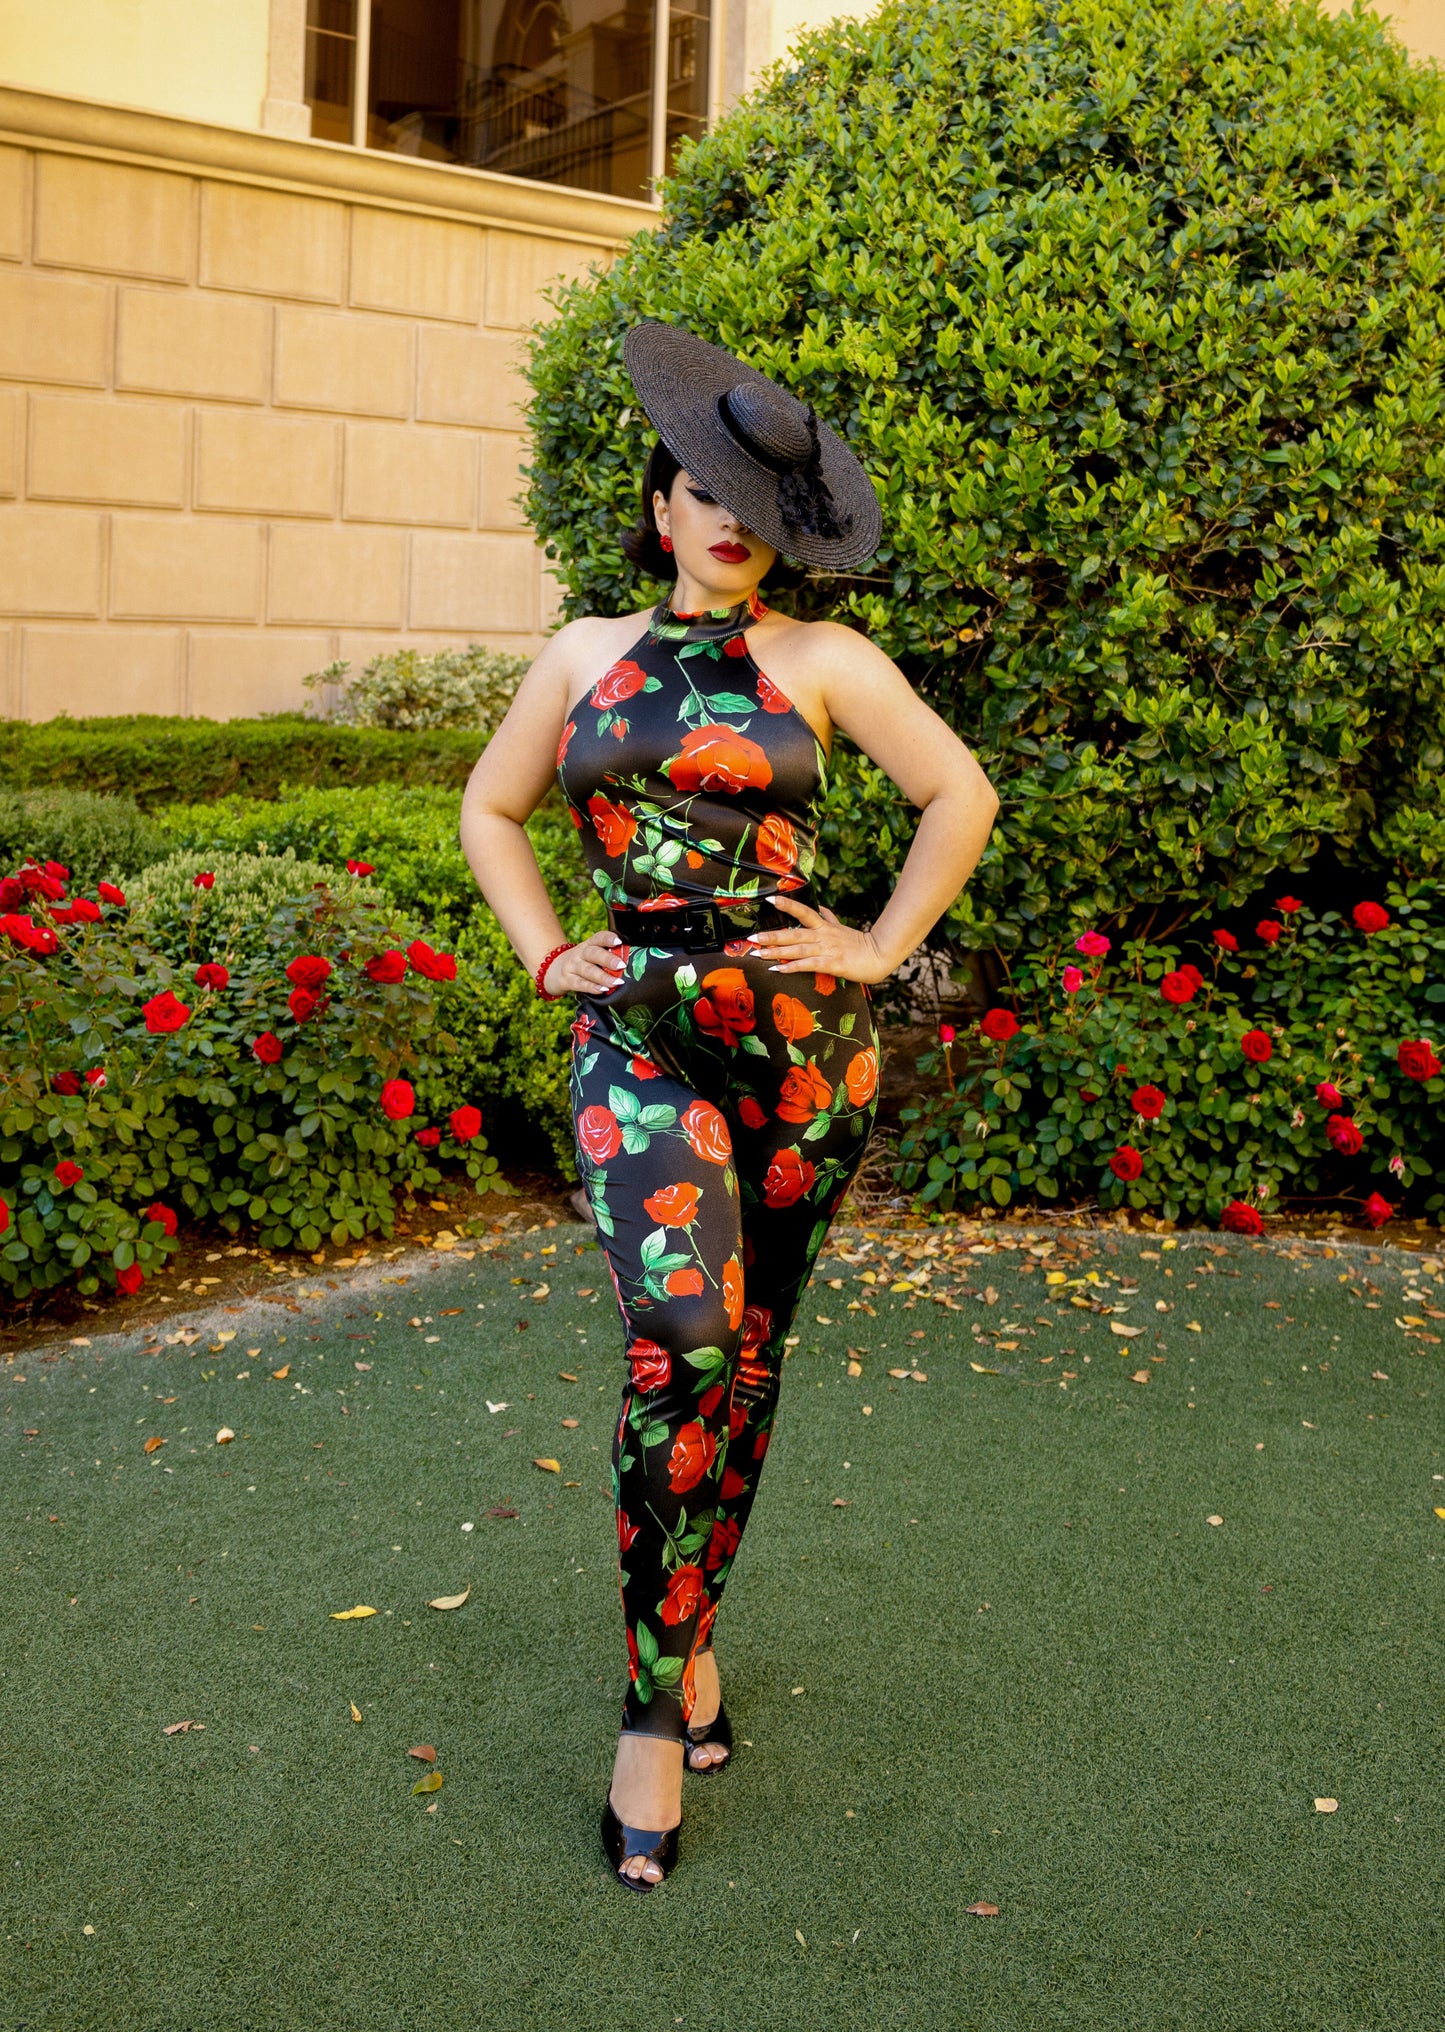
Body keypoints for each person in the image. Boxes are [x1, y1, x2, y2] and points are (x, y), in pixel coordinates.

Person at [459, 320, 999, 1891]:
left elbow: (954, 792)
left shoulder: (827, 665)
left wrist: (882, 947)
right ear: (659, 500)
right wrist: (544, 947)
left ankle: (690, 1636)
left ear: (782, 536)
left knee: (749, 1356)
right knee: (681, 1334)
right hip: (637, 1034)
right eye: (702, 491)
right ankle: (646, 1713)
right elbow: (492, 806)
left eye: (757, 510)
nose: (726, 524)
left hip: (802, 1049)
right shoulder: (580, 653)